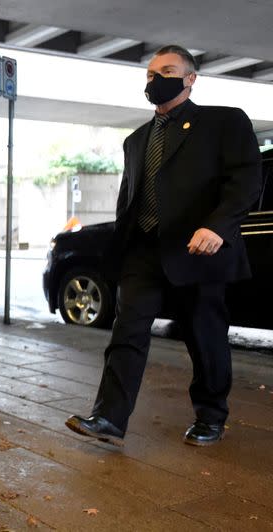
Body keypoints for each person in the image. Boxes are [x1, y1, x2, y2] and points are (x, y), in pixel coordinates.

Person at [66, 45, 262, 447]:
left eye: (167, 71)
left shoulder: (223, 122)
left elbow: (245, 182)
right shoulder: (137, 140)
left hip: (198, 250)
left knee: (203, 336)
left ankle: (211, 416)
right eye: (151, 74)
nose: (156, 80)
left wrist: (218, 227)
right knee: (127, 330)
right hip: (145, 250)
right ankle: (108, 417)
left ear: (190, 79)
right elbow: (129, 201)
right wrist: (117, 254)